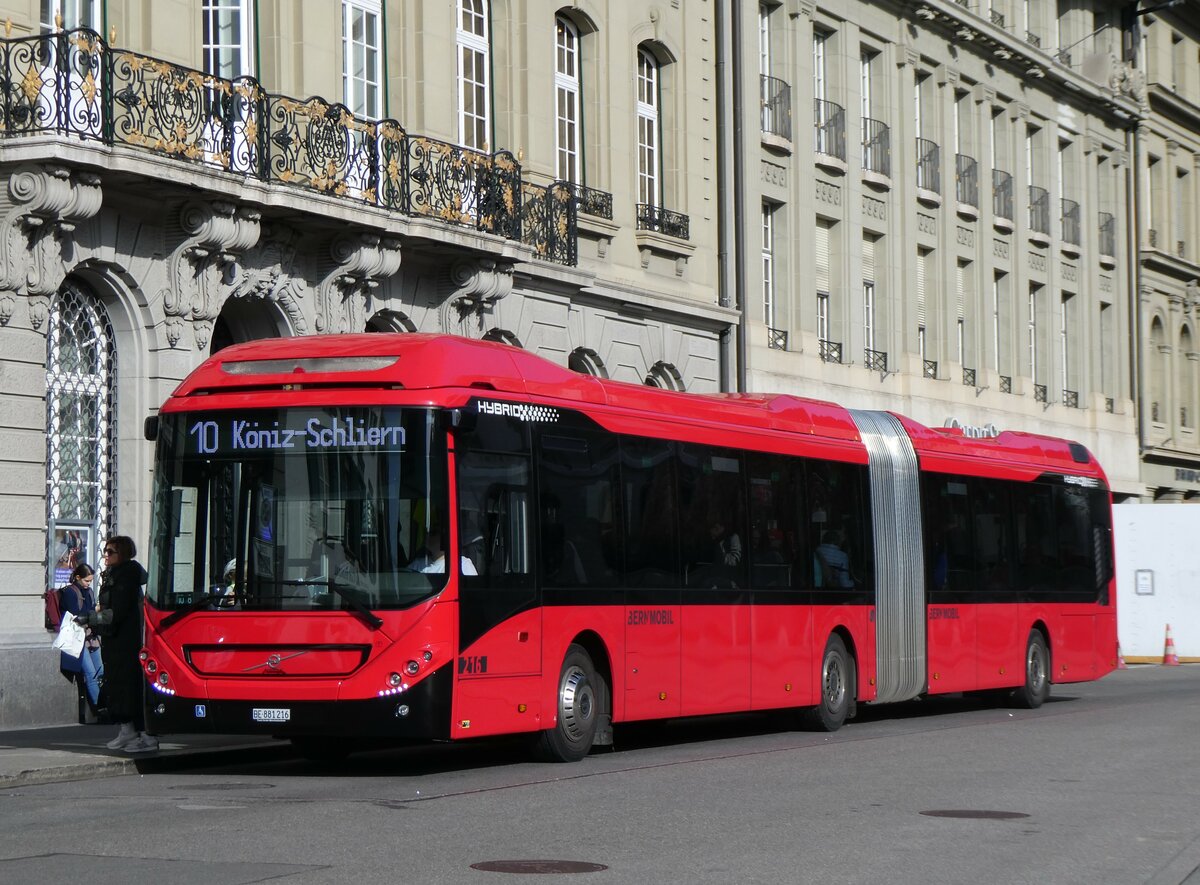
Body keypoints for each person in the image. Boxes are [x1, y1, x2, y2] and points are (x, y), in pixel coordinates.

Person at [78, 535, 157, 754]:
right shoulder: (117, 575)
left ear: (121, 553)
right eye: (105, 551)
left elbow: (117, 613)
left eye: (110, 552)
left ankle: (140, 735)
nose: (105, 556)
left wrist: (90, 619)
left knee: (127, 686)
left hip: (125, 641)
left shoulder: (127, 576)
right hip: (116, 640)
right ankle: (128, 731)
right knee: (118, 685)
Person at [58, 563, 104, 715]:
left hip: (90, 636)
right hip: (77, 638)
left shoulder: (89, 591)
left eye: (90, 581)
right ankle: (99, 707)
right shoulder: (69, 592)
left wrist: (93, 613)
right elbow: (76, 615)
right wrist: (94, 613)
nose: (88, 584)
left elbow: (89, 613)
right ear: (78, 577)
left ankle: (104, 703)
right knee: (90, 674)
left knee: (100, 671)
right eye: (86, 581)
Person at [408, 528, 478, 575]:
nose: (427, 536)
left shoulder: (462, 564)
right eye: (425, 533)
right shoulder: (417, 564)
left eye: (433, 533)